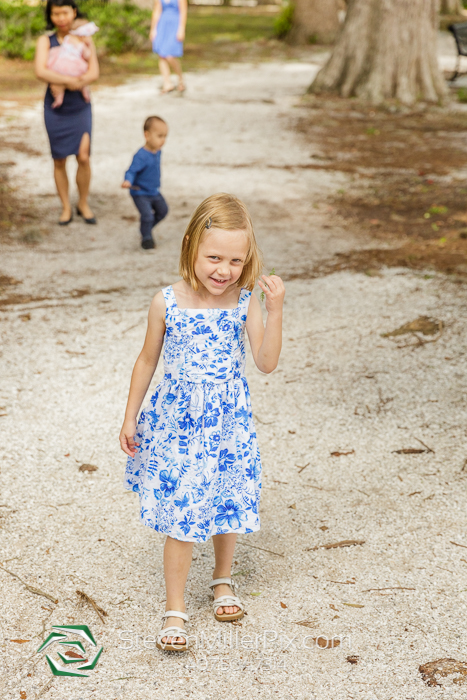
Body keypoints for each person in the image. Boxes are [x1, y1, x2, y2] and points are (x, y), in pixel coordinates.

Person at [119, 193, 285, 651]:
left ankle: (222, 579)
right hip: (179, 426)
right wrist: (130, 415)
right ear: (191, 244)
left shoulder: (245, 302)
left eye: (236, 260)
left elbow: (266, 362)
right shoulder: (166, 302)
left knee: (226, 499)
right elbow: (147, 359)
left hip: (227, 425)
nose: (223, 270)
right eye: (214, 257)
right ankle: (175, 606)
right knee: (181, 511)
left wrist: (275, 312)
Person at [35, 0, 99, 226]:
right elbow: (40, 71)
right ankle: (65, 207)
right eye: (56, 13)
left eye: (65, 12)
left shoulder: (84, 36)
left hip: (80, 105)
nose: (61, 18)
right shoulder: (46, 40)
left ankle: (83, 202)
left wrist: (67, 82)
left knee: (83, 156)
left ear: (73, 12)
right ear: (50, 15)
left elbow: (94, 72)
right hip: (55, 107)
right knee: (59, 159)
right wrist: (72, 81)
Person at [122, 116, 169, 250]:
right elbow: (131, 171)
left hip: (154, 190)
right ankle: (146, 238)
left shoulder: (158, 151)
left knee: (163, 210)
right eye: (160, 136)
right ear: (147, 135)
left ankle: (145, 229)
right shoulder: (141, 155)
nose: (163, 140)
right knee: (147, 215)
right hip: (140, 192)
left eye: (165, 136)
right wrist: (127, 181)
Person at [47, 19, 99, 109]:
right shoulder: (81, 44)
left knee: (57, 84)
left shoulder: (67, 39)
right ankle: (84, 90)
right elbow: (87, 55)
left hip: (60, 64)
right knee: (82, 75)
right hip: (73, 66)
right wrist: (89, 47)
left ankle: (59, 97)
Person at [150, 0, 187, 94]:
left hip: (175, 25)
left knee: (170, 56)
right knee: (162, 55)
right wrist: (153, 29)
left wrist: (182, 29)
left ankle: (180, 79)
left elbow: (183, 11)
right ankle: (167, 83)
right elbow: (157, 11)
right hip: (162, 25)